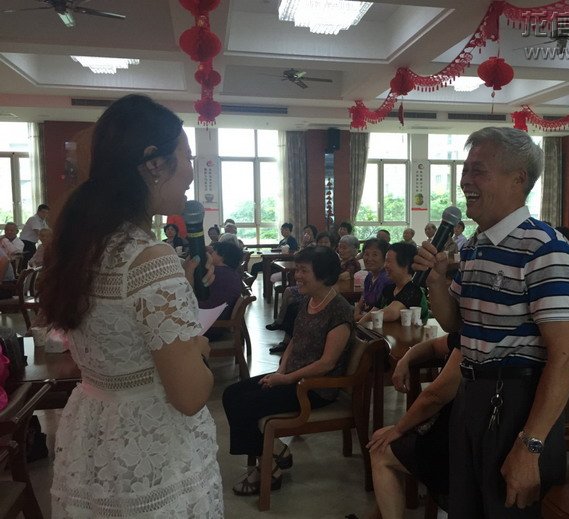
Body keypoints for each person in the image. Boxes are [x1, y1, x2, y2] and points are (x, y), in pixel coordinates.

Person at [38, 94, 223, 517]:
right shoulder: (150, 258)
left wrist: (181, 293)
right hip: (150, 446)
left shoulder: (85, 245)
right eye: (187, 156)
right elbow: (190, 394)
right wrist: (199, 345)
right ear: (154, 163)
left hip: (95, 431)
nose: (192, 170)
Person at [413, 127, 569, 517]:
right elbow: (456, 324)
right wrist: (435, 281)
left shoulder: (545, 249)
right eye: (464, 170)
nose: (465, 181)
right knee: (467, 507)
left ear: (518, 179)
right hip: (472, 396)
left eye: (478, 170)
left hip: (518, 404)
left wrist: (531, 446)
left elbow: (565, 357)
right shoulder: (475, 245)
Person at [222, 246, 354, 495]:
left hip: (313, 388)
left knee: (246, 404)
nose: (297, 275)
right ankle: (276, 450)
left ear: (324, 275)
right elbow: (294, 340)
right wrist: (281, 371)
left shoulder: (339, 310)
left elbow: (327, 363)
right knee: (231, 394)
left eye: (303, 270)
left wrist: (286, 378)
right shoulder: (308, 301)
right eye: (297, 269)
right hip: (292, 378)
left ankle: (269, 469)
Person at [368, 333, 461, 519]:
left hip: (457, 441)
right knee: (380, 437)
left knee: (379, 449)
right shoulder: (469, 332)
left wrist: (399, 429)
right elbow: (433, 346)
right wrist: (406, 359)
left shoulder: (473, 340)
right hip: (451, 426)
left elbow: (434, 397)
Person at [360, 242, 428, 324]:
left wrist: (364, 320)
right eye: (385, 261)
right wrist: (359, 325)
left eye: (389, 261)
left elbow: (391, 313)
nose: (385, 265)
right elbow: (374, 311)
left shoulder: (414, 290)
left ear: (405, 265)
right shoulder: (389, 289)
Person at [199, 241, 243, 339]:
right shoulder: (231, 273)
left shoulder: (217, 274)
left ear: (222, 256)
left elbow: (209, 305)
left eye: (214, 251)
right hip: (219, 320)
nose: (211, 254)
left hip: (212, 327)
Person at [354, 238, 391, 322]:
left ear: (385, 257)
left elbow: (380, 313)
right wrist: (356, 315)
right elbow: (360, 303)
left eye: (374, 255)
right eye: (366, 254)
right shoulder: (369, 276)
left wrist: (357, 318)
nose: (369, 259)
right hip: (363, 318)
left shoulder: (386, 279)